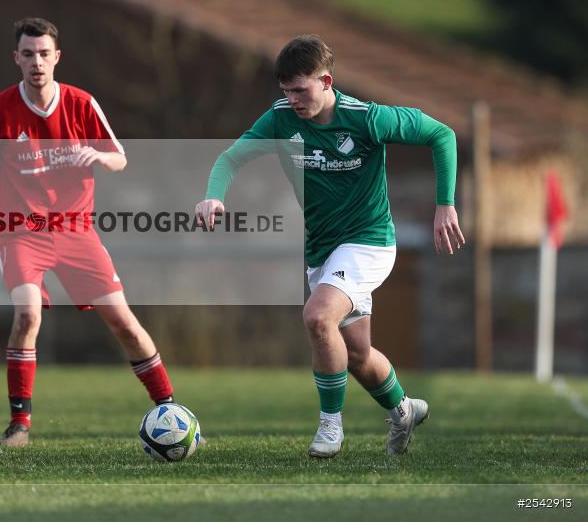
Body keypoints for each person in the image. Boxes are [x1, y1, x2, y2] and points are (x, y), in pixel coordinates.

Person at [196, 35, 464, 458]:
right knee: (357, 354)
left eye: (300, 90)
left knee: (318, 317)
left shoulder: (367, 118)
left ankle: (330, 427)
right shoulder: (281, 119)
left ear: (326, 81)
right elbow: (231, 158)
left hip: (369, 242)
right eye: (286, 91)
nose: (292, 100)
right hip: (322, 250)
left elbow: (442, 135)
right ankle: (403, 410)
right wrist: (214, 196)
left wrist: (445, 204)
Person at [0, 18, 178, 447]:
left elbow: (119, 157)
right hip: (21, 232)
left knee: (125, 324)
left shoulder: (82, 104)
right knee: (27, 314)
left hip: (77, 231)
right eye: (28, 54)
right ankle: (20, 425)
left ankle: (170, 410)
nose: (36, 62)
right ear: (16, 58)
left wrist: (98, 156)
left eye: (44, 54)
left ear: (57, 57)